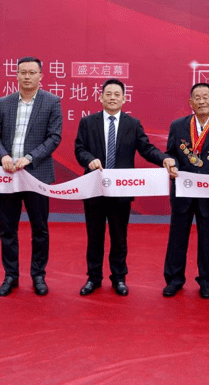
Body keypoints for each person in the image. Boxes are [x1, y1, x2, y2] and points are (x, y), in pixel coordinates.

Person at [74, 79, 176, 296]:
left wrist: (164, 159)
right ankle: (93, 278)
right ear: (100, 98)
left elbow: (146, 149)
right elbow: (79, 149)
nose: (112, 97)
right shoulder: (88, 122)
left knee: (119, 238)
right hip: (94, 188)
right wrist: (89, 160)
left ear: (124, 99)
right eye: (108, 93)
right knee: (94, 237)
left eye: (117, 94)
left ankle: (119, 278)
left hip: (121, 191)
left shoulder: (132, 124)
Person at [0, 57, 62, 297]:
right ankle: (10, 275)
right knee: (8, 228)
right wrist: (3, 156)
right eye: (23, 72)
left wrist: (30, 158)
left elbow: (54, 137)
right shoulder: (4, 102)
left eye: (32, 72)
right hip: (8, 175)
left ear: (41, 75)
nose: (27, 76)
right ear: (17, 75)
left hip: (36, 175)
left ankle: (38, 275)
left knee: (39, 229)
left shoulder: (52, 102)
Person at [162, 83, 209, 299]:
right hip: (183, 191)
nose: (202, 101)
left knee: (208, 239)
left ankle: (207, 281)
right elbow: (170, 153)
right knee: (177, 238)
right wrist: (171, 165)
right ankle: (174, 279)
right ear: (190, 102)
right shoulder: (178, 126)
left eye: (206, 97)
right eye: (197, 97)